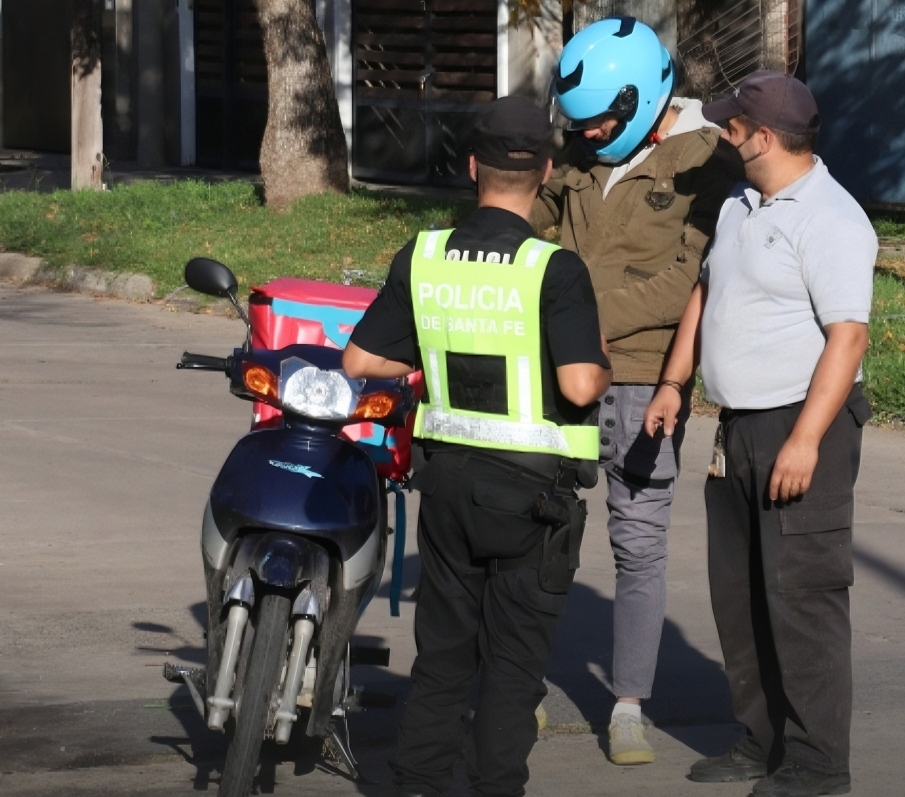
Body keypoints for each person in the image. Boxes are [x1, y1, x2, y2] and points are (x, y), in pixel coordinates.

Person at [342, 95, 611, 797]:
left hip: (449, 486)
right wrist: (602, 357)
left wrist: (431, 356)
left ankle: (416, 783)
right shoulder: (555, 270)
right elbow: (581, 384)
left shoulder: (424, 256)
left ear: (471, 167)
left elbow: (361, 362)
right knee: (514, 668)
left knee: (443, 657)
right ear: (547, 171)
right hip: (532, 500)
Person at [644, 71, 877, 797]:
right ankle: (761, 738)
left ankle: (816, 768)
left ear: (765, 138)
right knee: (739, 593)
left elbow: (848, 338)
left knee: (802, 598)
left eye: (733, 127)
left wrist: (806, 440)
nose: (723, 134)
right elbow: (706, 291)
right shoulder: (742, 204)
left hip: (802, 423)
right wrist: (673, 382)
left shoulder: (833, 220)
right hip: (738, 426)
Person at [532, 15, 744, 766]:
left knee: (637, 538)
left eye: (599, 125)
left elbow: (682, 285)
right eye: (579, 126)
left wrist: (568, 315)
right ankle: (519, 680)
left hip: (641, 375)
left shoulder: (708, 164)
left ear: (643, 96)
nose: (587, 138)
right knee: (530, 525)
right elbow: (536, 220)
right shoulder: (580, 146)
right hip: (553, 368)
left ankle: (628, 703)